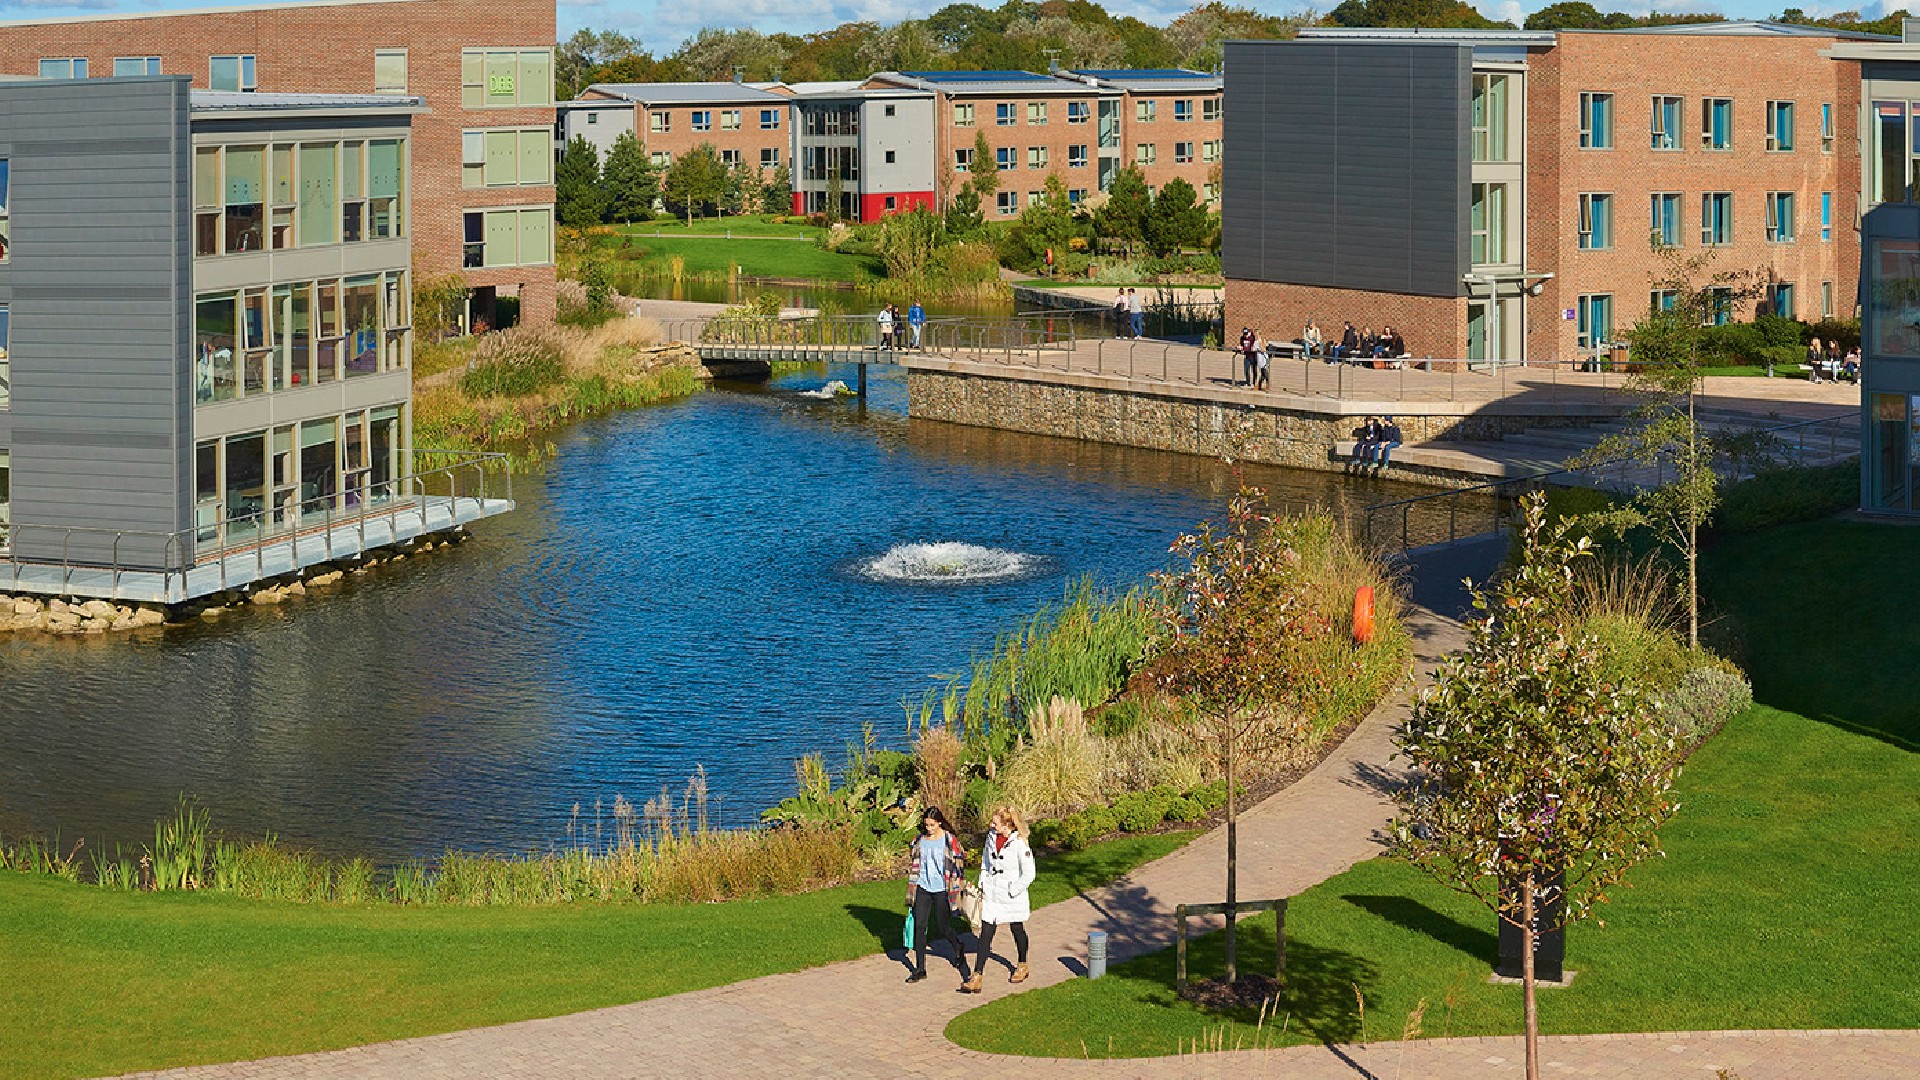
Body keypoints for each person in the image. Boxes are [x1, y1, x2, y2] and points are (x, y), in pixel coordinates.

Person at [964, 806, 1037, 993]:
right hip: (993, 894)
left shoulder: (1020, 843)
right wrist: (983, 881)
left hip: (1013, 895)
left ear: (1007, 824)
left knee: (1017, 929)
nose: (991, 825)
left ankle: (1022, 964)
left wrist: (1014, 889)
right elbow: (986, 862)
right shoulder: (991, 837)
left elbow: (1029, 873)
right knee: (986, 933)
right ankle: (977, 976)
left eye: (995, 822)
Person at [906, 807, 973, 986]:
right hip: (922, 887)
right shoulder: (919, 840)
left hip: (942, 889)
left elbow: (960, 862)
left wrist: (957, 884)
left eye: (932, 825)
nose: (929, 828)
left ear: (940, 823)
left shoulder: (949, 840)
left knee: (943, 927)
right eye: (926, 825)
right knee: (920, 927)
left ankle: (957, 946)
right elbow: (913, 859)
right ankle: (920, 969)